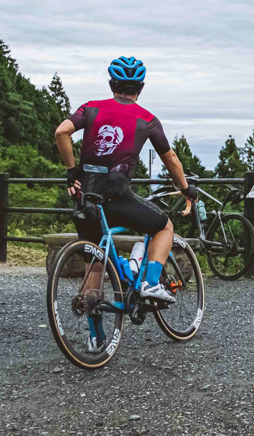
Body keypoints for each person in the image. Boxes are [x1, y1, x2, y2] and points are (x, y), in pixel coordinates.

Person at [54, 56, 197, 327]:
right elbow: (170, 159)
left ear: (111, 85)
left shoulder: (91, 108)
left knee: (95, 263)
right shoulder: (147, 120)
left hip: (86, 200)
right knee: (164, 226)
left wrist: (72, 172)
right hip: (117, 199)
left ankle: (96, 341)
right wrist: (186, 188)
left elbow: (62, 132)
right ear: (140, 88)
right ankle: (152, 283)